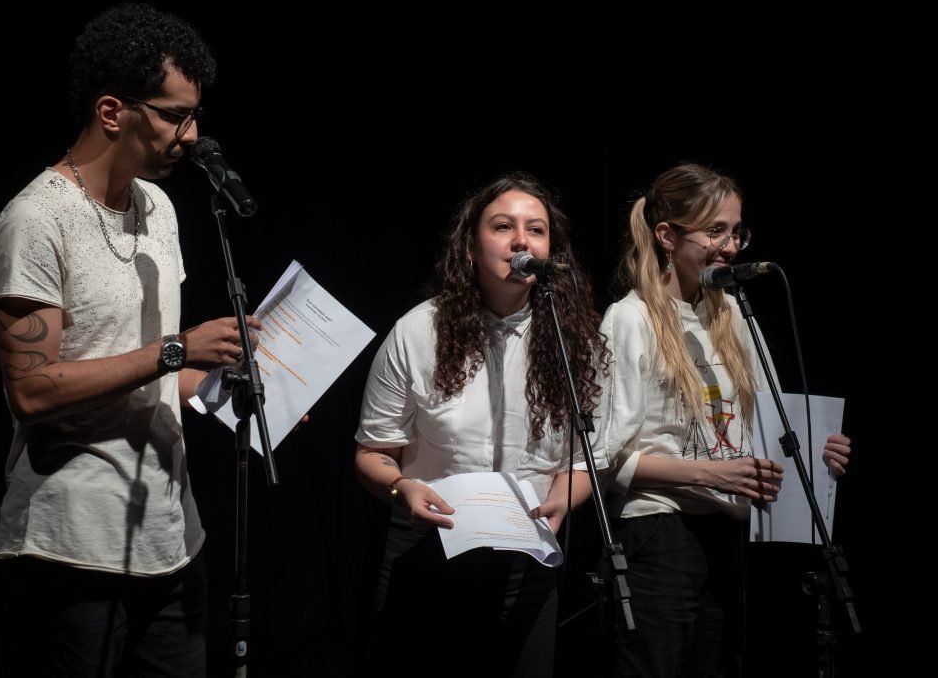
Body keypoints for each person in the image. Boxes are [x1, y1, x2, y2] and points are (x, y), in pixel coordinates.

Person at [0, 3, 259, 676]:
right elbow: (29, 388)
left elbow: (162, 376)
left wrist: (238, 390)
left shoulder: (158, 207)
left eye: (194, 115)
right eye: (175, 115)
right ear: (113, 111)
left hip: (169, 535)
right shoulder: (35, 220)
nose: (193, 135)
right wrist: (176, 349)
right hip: (71, 545)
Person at [595, 162, 852, 678]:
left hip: (727, 533)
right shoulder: (629, 319)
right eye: (715, 231)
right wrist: (710, 474)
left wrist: (817, 452)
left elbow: (772, 422)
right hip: (656, 533)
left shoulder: (732, 313)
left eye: (737, 232)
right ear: (667, 236)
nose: (730, 247)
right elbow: (606, 459)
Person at [353, 172, 609, 678]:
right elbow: (371, 453)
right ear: (471, 247)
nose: (521, 240)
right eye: (502, 226)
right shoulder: (418, 331)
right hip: (429, 553)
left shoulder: (574, 337)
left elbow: (591, 456)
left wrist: (562, 498)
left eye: (536, 230)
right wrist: (403, 486)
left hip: (528, 559)